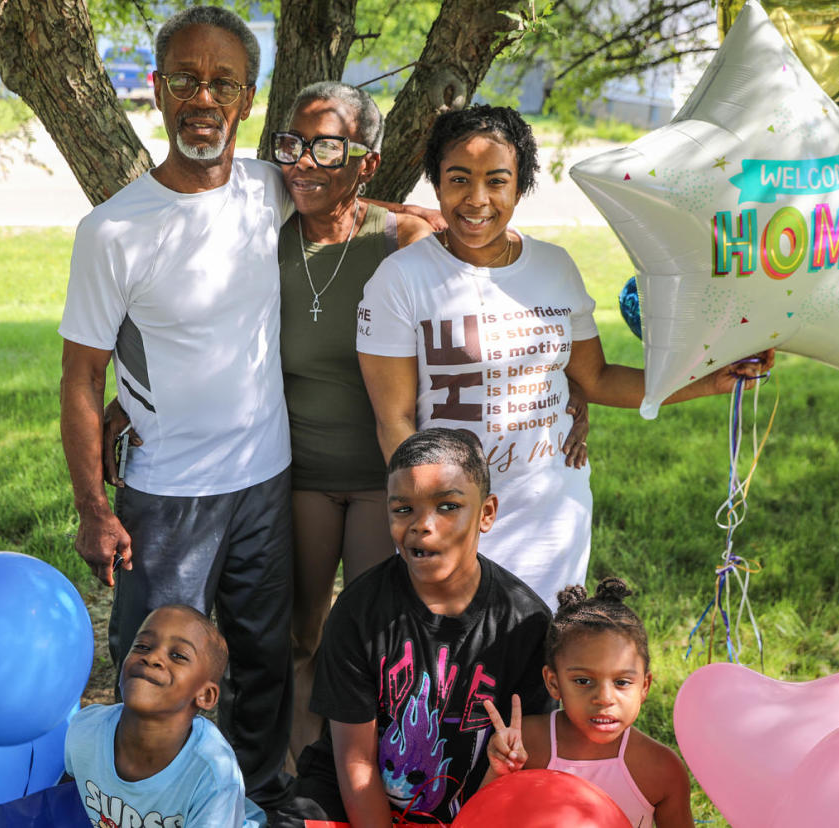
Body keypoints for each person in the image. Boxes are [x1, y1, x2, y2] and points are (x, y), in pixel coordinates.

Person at [356, 104, 773, 608]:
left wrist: (709, 379)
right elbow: (394, 421)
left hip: (551, 515)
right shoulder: (400, 280)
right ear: (437, 182)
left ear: (520, 185)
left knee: (543, 665)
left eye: (497, 181)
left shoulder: (554, 267)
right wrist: (435, 517)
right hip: (452, 521)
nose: (477, 199)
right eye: (459, 179)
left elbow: (595, 379)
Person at [58, 6, 296, 806]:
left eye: (223, 82)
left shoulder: (268, 190)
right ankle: (144, 805)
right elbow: (80, 379)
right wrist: (94, 505)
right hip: (166, 492)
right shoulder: (113, 231)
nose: (204, 98)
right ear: (157, 91)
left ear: (248, 98)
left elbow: (347, 208)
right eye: (187, 79)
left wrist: (419, 222)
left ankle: (251, 801)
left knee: (261, 655)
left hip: (267, 478)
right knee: (152, 667)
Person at [272, 428, 554, 826]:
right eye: (403, 509)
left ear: (487, 513)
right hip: (357, 801)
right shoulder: (358, 613)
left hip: (475, 807)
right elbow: (356, 762)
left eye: (448, 506)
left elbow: (529, 767)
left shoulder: (525, 625)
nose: (423, 525)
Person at [271, 81, 435, 765]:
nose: (304, 163)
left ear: (366, 162)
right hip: (298, 474)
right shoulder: (262, 231)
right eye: (293, 145)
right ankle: (297, 776)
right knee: (297, 635)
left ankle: (377, 774)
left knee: (377, 636)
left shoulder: (404, 238)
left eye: (328, 147)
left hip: (381, 475)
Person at [481, 578, 693, 828]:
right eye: (583, 681)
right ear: (554, 683)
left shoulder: (660, 769)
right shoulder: (527, 744)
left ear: (644, 686)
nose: (604, 699)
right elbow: (481, 817)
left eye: (622, 682)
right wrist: (499, 772)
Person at [64, 605, 264, 828]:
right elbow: (61, 803)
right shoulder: (85, 731)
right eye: (142, 646)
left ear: (205, 696)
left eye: (178, 655)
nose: (152, 657)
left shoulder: (212, 772)